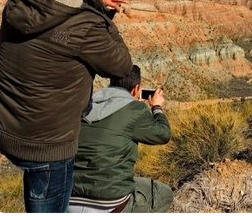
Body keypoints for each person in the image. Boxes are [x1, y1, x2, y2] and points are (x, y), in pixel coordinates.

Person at [0, 0, 133, 216]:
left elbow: (57, 24)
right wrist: (105, 18)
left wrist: (95, 4)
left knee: (36, 187)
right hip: (48, 144)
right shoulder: (86, 23)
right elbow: (121, 66)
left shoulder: (20, 2)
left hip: (6, 125)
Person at [68, 65, 173, 216]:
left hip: (71, 200)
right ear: (137, 89)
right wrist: (156, 107)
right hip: (110, 204)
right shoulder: (135, 109)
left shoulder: (84, 105)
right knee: (164, 194)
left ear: (111, 82)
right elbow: (163, 135)